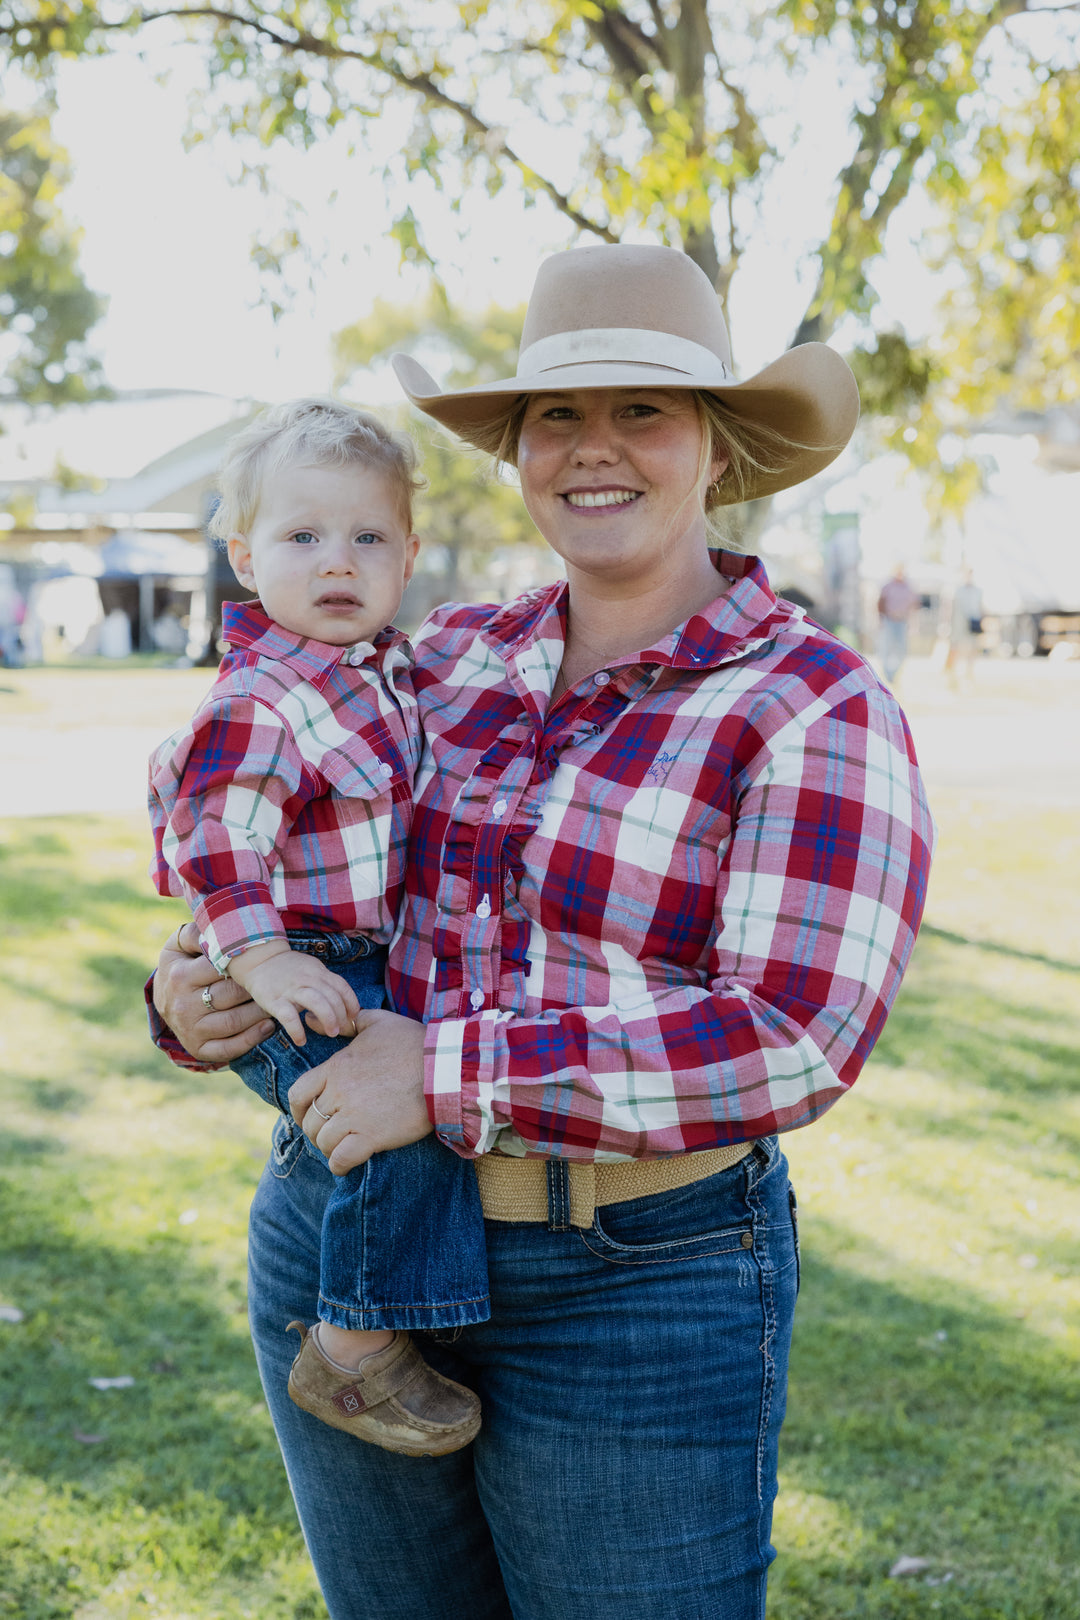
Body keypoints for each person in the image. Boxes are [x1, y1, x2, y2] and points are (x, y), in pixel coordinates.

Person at [150, 244, 935, 1620]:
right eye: (558, 416)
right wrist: (195, 989)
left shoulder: (813, 704)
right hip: (343, 1237)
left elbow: (792, 1038)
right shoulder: (439, 655)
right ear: (516, 447)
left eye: (644, 409)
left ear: (717, 442)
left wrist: (446, 1075)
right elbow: (287, 843)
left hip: (635, 1283)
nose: (594, 449)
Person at [148, 398, 487, 1458]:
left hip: (348, 956)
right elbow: (216, 836)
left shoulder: (385, 671)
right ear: (245, 555)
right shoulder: (266, 696)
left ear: (409, 556)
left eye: (367, 538)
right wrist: (257, 955)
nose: (337, 562)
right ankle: (354, 1354)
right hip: (295, 959)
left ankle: (372, 1331)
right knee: (386, 1121)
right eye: (303, 537)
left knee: (404, 1106)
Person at [876, 563, 921, 685]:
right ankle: (887, 673)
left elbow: (915, 605)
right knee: (886, 648)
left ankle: (893, 674)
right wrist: (881, 619)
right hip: (889, 620)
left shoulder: (908, 587)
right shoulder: (888, 586)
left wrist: (913, 623)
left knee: (902, 650)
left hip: (902, 622)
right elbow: (880, 603)